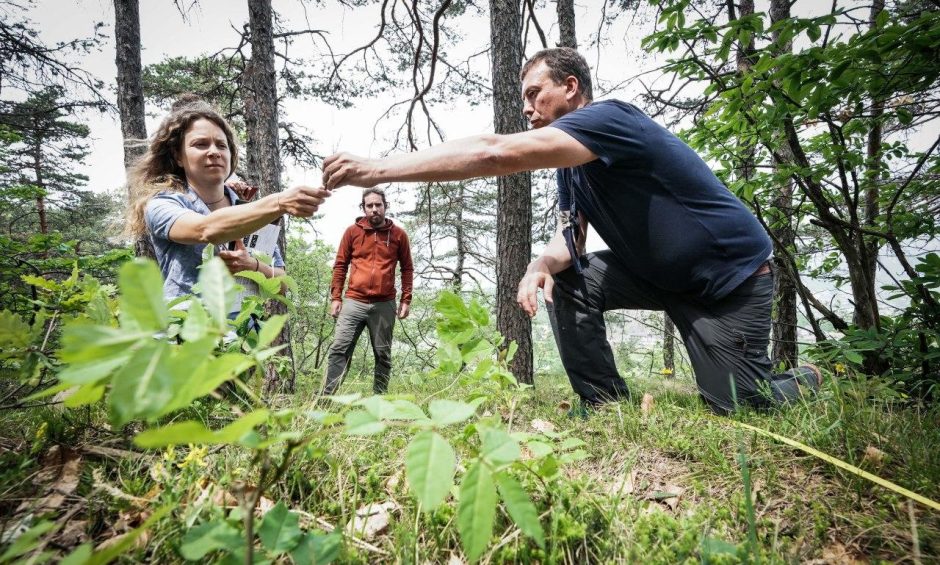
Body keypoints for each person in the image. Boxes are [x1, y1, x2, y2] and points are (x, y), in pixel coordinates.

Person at [320, 47, 822, 415]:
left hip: (728, 281)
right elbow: (573, 241)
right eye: (525, 99)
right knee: (570, 279)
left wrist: (379, 168)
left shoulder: (610, 119)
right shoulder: (571, 168)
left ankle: (802, 380)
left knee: (741, 404)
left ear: (571, 88)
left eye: (535, 94)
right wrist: (541, 264)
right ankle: (604, 403)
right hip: (657, 275)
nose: (527, 107)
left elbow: (494, 152)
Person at [126, 101, 330, 309]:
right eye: (201, 144)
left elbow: (281, 285)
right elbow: (205, 229)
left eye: (221, 145)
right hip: (187, 331)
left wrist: (252, 266)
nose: (214, 151)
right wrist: (279, 202)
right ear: (178, 156)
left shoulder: (251, 211)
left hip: (243, 335)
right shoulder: (163, 204)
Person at [322, 188, 413, 395]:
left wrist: (406, 299)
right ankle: (326, 400)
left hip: (384, 303)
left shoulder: (398, 235)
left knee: (383, 354)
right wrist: (336, 297)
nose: (374, 209)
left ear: (385, 206)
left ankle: (378, 402)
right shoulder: (352, 232)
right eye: (369, 205)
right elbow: (340, 265)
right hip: (354, 301)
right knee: (339, 349)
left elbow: (407, 267)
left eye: (378, 205)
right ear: (363, 208)